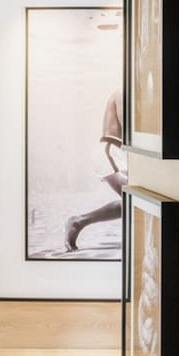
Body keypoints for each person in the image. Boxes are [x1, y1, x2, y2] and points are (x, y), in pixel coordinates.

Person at [65, 92, 127, 251]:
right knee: (133, 199)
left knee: (132, 201)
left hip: (114, 151)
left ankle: (79, 222)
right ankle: (78, 221)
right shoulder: (122, 92)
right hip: (110, 150)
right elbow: (129, 126)